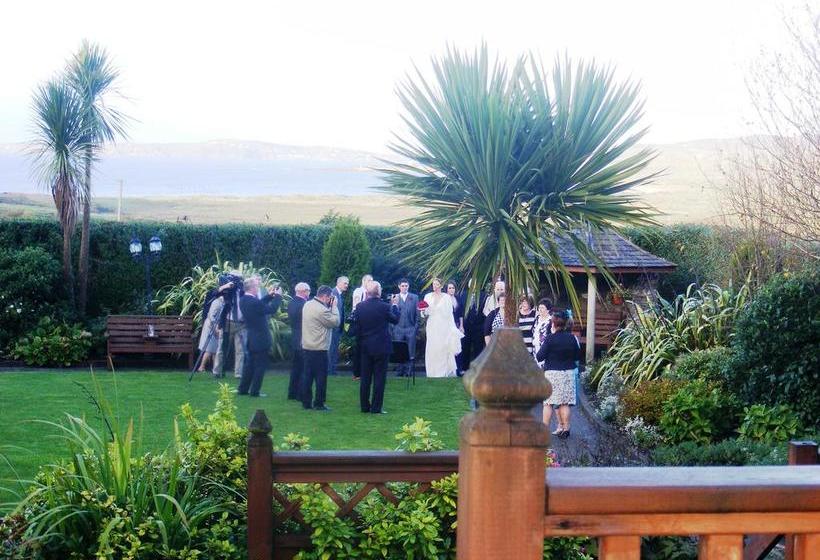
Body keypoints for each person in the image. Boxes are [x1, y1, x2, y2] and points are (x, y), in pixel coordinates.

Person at [535, 309, 581, 438]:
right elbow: (577, 356)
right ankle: (566, 429)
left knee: (548, 403)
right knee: (564, 402)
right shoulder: (572, 338)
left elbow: (539, 356)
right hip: (567, 373)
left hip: (552, 373)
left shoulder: (550, 339)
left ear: (553, 324)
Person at [356, 281, 400, 414]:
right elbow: (395, 320)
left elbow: (358, 326)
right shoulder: (385, 307)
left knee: (365, 378)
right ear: (379, 292)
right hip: (381, 347)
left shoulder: (360, 307)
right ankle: (376, 408)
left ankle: (364, 406)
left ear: (367, 293)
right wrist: (395, 306)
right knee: (379, 378)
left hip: (365, 346)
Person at [236, 277, 283, 397]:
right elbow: (271, 309)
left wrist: (269, 296)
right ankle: (255, 391)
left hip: (251, 337)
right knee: (260, 366)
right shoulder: (254, 302)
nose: (258, 288)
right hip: (261, 338)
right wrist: (278, 296)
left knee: (249, 365)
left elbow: (259, 305)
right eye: (257, 286)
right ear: (252, 288)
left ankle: (243, 389)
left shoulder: (243, 300)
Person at [302, 285, 341, 411]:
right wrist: (334, 306)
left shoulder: (307, 304)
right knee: (321, 377)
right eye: (329, 297)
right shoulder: (321, 310)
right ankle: (319, 403)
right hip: (319, 347)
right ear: (325, 296)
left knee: (308, 375)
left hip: (307, 345)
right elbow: (335, 322)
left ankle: (306, 402)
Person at [423, 278, 464, 378]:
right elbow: (424, 313)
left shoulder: (446, 297)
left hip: (443, 326)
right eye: (433, 284)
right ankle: (432, 372)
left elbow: (449, 314)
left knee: (443, 348)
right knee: (432, 348)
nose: (434, 286)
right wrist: (423, 311)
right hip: (432, 325)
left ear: (441, 286)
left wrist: (452, 329)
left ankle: (443, 372)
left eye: (437, 284)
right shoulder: (427, 296)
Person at [213, 271, 246, 379]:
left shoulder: (242, 289)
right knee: (222, 348)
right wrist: (226, 286)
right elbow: (214, 294)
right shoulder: (227, 290)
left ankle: (238, 373)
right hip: (228, 322)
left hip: (241, 323)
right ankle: (217, 371)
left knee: (240, 350)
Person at [286, 282, 310, 400]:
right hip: (303, 339)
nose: (309, 293)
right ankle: (301, 394)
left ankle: (292, 392)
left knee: (295, 368)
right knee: (303, 368)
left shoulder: (291, 303)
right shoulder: (304, 304)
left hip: (294, 337)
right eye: (308, 291)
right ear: (303, 291)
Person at [391, 278, 419, 377]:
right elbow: (391, 313)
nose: (404, 288)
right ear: (399, 286)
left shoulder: (414, 297)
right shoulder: (394, 297)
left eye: (406, 286)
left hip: (410, 328)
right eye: (402, 286)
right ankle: (399, 371)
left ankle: (409, 371)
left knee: (410, 351)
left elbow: (417, 314)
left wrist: (415, 327)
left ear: (408, 286)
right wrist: (393, 328)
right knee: (399, 350)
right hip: (398, 329)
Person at [349, 274, 372, 381]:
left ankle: (364, 371)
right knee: (359, 348)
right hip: (360, 322)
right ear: (363, 281)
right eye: (369, 280)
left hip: (367, 322)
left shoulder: (370, 293)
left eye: (372, 280)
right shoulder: (359, 291)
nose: (370, 282)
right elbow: (357, 306)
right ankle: (357, 373)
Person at [327, 276, 349, 376]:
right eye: (345, 283)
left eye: (347, 283)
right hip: (333, 328)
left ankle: (332, 370)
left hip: (337, 328)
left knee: (334, 350)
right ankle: (330, 371)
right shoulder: (333, 294)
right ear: (338, 283)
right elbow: (328, 311)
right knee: (331, 350)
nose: (347, 285)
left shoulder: (338, 294)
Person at [462, 289, 488, 371]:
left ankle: (478, 369)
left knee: (478, 349)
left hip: (479, 327)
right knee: (465, 348)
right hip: (466, 327)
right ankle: (465, 369)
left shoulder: (484, 295)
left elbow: (485, 311)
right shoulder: (463, 294)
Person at [447, 282, 466, 375]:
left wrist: (461, 326)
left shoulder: (458, 298)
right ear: (446, 289)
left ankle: (459, 369)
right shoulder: (444, 299)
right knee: (449, 347)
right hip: (447, 327)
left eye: (453, 288)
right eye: (449, 288)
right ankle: (450, 369)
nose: (451, 290)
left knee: (458, 347)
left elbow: (461, 314)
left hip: (457, 326)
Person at [531, 298, 553, 367]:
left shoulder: (551, 321)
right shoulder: (537, 319)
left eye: (542, 308)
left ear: (548, 309)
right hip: (535, 348)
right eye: (539, 307)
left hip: (545, 348)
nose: (540, 309)